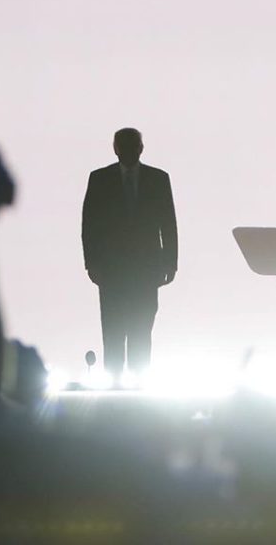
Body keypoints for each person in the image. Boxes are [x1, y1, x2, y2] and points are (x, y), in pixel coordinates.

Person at [82, 128, 178, 379]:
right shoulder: (99, 179)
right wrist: (91, 263)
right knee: (113, 331)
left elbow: (169, 224)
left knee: (141, 331)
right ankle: (114, 387)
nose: (128, 150)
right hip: (112, 270)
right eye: (124, 145)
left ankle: (138, 385)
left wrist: (171, 262)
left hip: (146, 269)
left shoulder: (158, 179)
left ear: (141, 148)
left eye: (132, 145)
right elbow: (89, 225)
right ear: (115, 148)